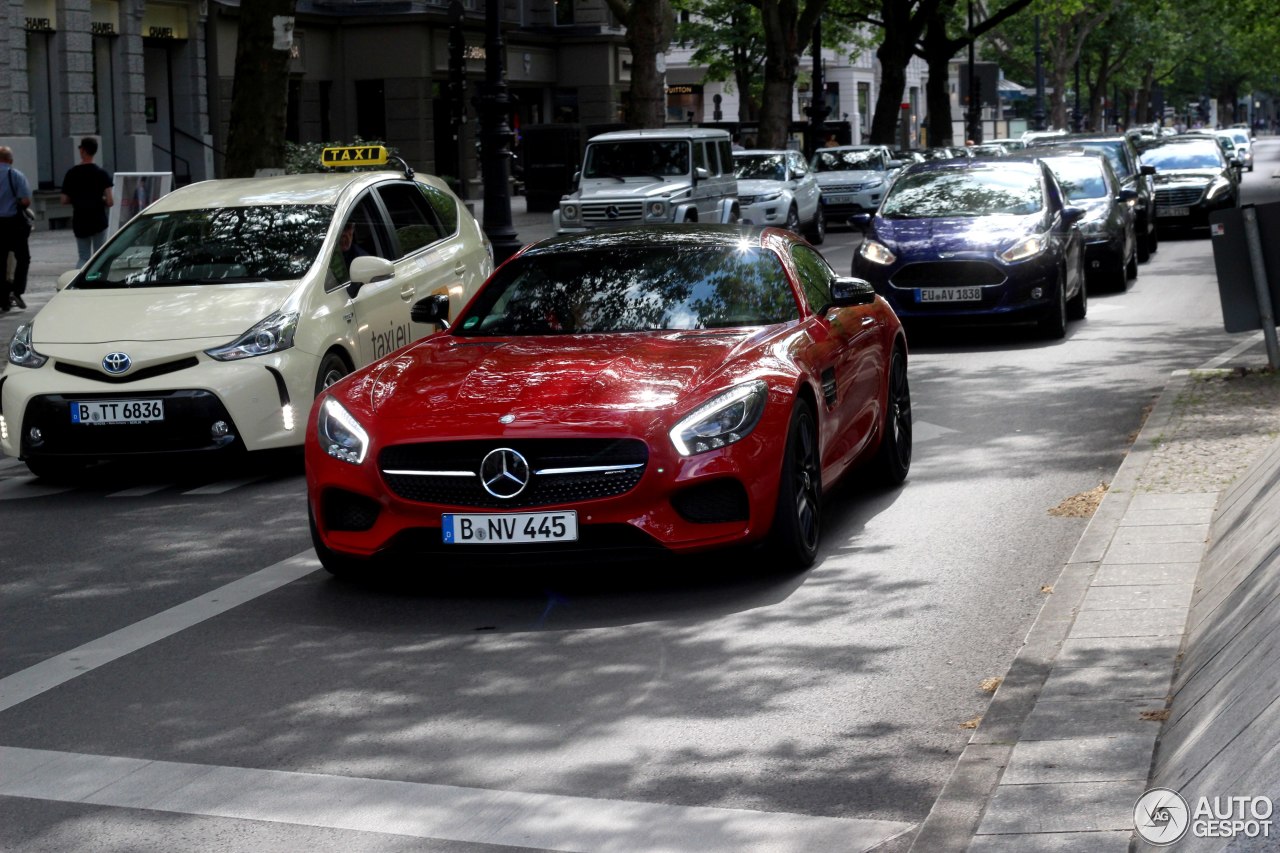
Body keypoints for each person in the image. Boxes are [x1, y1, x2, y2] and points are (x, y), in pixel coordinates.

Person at [60, 137, 114, 268]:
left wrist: (78, 198)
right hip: (98, 219)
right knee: (99, 255)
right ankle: (98, 283)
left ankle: (78, 282)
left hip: (80, 219)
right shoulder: (101, 173)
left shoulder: (72, 173)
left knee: (83, 257)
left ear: (83, 151)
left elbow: (64, 200)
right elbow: (110, 201)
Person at [0, 147, 32, 312]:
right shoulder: (16, 175)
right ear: (10, 160)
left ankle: (2, 298)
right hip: (13, 224)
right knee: (23, 258)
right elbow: (26, 201)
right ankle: (17, 291)